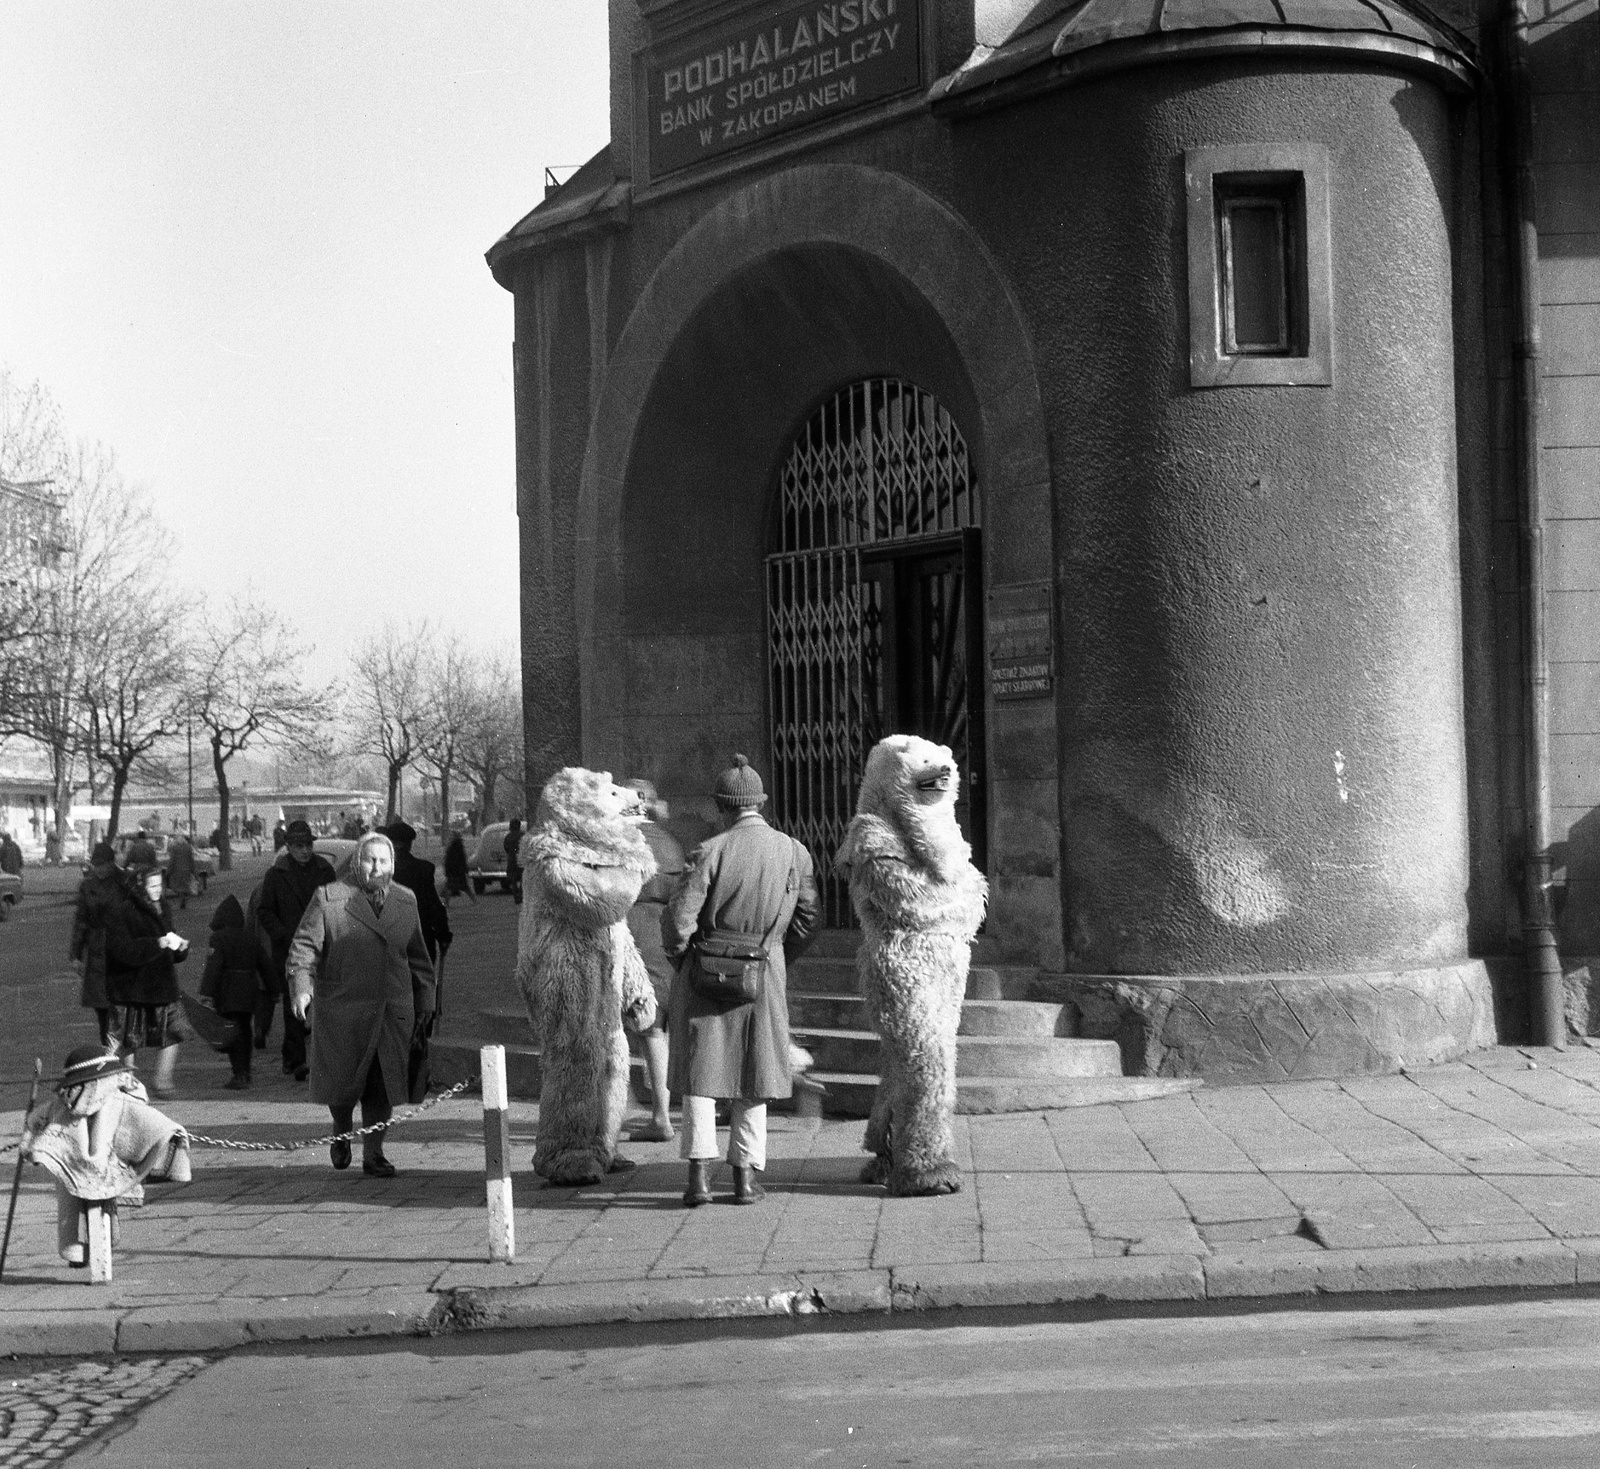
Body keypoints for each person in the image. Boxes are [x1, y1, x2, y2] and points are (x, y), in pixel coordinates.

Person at [663, 755, 818, 1207]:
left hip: (704, 971)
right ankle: (746, 1180)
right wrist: (772, 958)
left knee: (700, 1074)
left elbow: (677, 924)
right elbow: (808, 919)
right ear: (760, 803)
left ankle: (698, 1181)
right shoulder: (795, 852)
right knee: (755, 1072)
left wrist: (684, 962)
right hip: (764, 973)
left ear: (721, 806)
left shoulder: (709, 851)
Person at [286, 832, 436, 1178]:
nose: (376, 868)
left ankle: (374, 1152)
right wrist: (301, 988)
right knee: (342, 1086)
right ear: (357, 862)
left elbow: (418, 957)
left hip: (390, 1009)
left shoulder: (406, 900)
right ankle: (341, 1132)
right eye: (370, 860)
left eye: (384, 861)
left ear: (392, 865)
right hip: (344, 1010)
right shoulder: (329, 898)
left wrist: (425, 999)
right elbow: (304, 948)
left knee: (381, 1085)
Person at [623, 778, 686, 1143]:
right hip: (665, 946)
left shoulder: (623, 842)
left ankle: (655, 1117)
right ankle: (660, 1114)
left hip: (633, 946)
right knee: (656, 1031)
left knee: (642, 1031)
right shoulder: (671, 841)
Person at [256, 819, 337, 1082]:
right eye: (299, 846)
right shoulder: (276, 874)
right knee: (295, 1004)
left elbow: (335, 903)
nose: (305, 851)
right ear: (288, 847)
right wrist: (281, 933)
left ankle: (295, 1054)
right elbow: (264, 910)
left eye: (308, 845)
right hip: (288, 949)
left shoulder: (324, 870)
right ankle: (298, 1060)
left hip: (321, 946)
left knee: (319, 1002)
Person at [103, 863, 190, 1098]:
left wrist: (180, 948)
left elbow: (169, 943)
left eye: (160, 885)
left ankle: (162, 1080)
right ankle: (129, 1084)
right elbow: (120, 950)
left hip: (162, 985)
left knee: (174, 1032)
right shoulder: (123, 911)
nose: (157, 890)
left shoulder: (164, 907)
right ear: (140, 887)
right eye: (152, 885)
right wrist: (156, 944)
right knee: (129, 1039)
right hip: (132, 987)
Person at [201, 895, 271, 1090]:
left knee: (232, 1034)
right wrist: (274, 989)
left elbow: (213, 967)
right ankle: (245, 1071)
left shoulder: (218, 938)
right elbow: (264, 965)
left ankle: (239, 1073)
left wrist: (206, 992)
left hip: (228, 992)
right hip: (249, 992)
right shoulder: (251, 938)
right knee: (245, 1031)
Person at [69, 842, 124, 1046]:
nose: (99, 869)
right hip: (97, 950)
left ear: (111, 863)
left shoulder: (125, 882)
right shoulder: (87, 886)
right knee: (102, 1006)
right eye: (96, 865)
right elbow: (81, 921)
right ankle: (108, 1048)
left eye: (102, 864)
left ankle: (120, 1051)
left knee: (119, 1005)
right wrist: (76, 955)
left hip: (120, 946)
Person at [386, 820, 452, 965]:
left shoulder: (383, 873)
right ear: (409, 844)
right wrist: (443, 935)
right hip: (421, 938)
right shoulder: (423, 869)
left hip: (391, 939)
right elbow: (433, 905)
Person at [164, 832, 196, 911]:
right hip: (187, 870)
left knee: (177, 886)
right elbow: (191, 860)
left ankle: (182, 898)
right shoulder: (188, 847)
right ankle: (185, 896)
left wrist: (168, 871)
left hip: (176, 870)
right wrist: (193, 871)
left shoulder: (174, 848)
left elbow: (172, 860)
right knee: (185, 885)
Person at [442, 829, 475, 906]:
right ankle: (474, 900)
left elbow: (451, 860)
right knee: (465, 888)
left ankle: (446, 903)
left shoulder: (453, 847)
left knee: (449, 887)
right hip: (458, 871)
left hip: (454, 871)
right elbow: (463, 859)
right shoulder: (459, 846)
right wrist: (465, 869)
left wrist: (448, 870)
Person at [504, 818, 524, 904]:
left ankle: (516, 896)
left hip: (512, 859)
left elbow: (506, 847)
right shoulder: (523, 835)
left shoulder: (508, 836)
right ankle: (521, 894)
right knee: (523, 878)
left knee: (513, 879)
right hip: (521, 858)